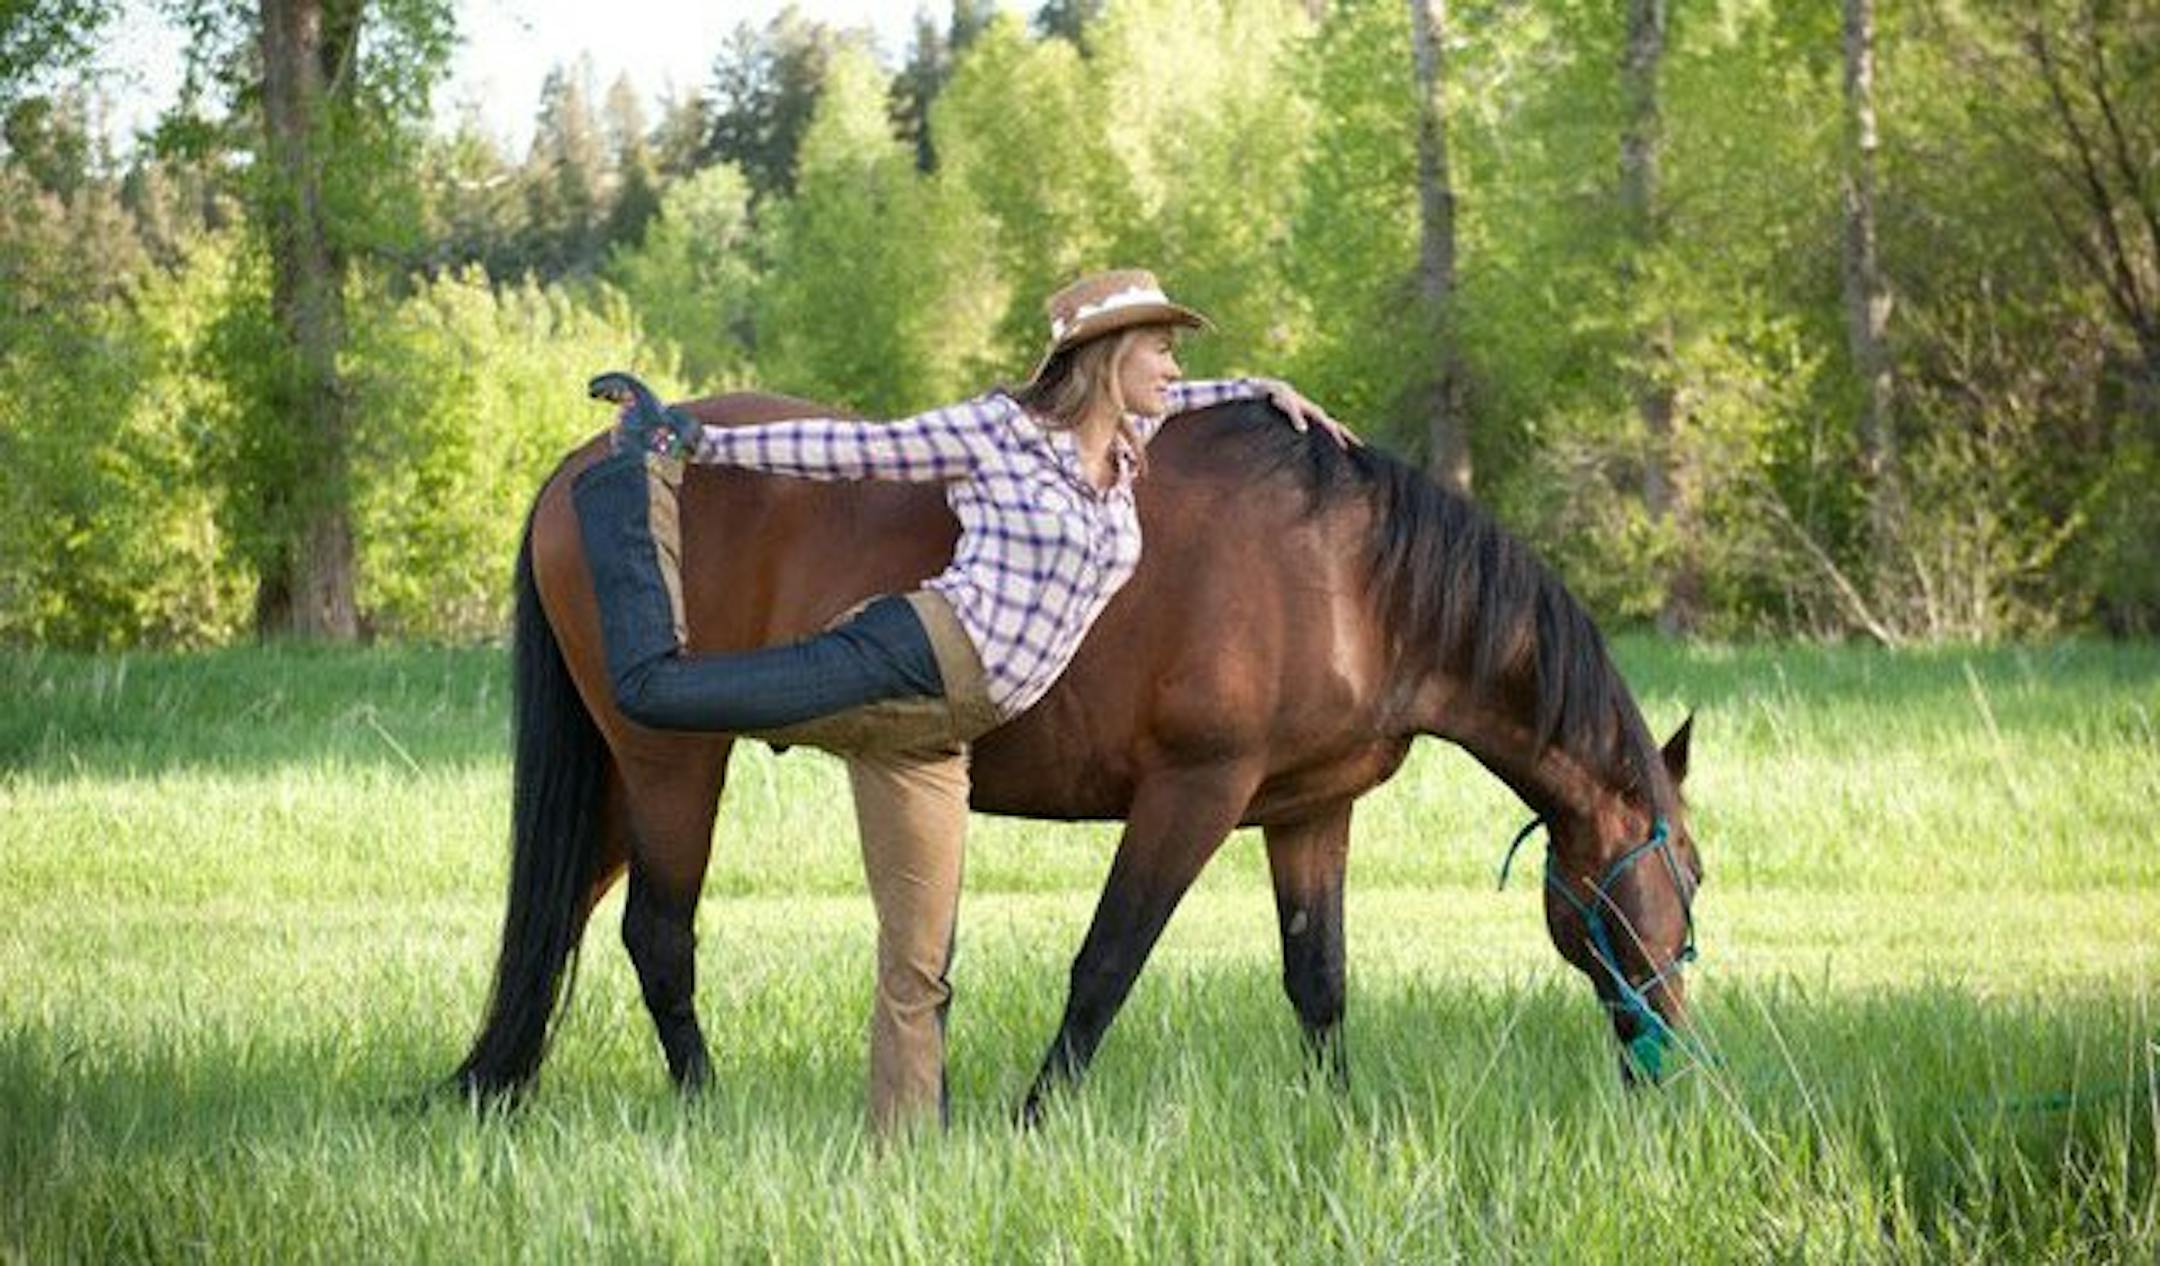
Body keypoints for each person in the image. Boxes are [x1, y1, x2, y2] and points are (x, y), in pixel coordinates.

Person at [575, 268, 1352, 1134]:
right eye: (1161, 347)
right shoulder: (997, 432)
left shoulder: (1131, 436)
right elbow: (854, 455)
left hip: (945, 735)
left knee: (921, 961)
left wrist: (1266, 390)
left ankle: (906, 1164)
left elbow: (1195, 399)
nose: (1175, 367)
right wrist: (693, 437)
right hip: (905, 659)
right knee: (659, 690)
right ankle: (627, 477)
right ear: (1105, 358)